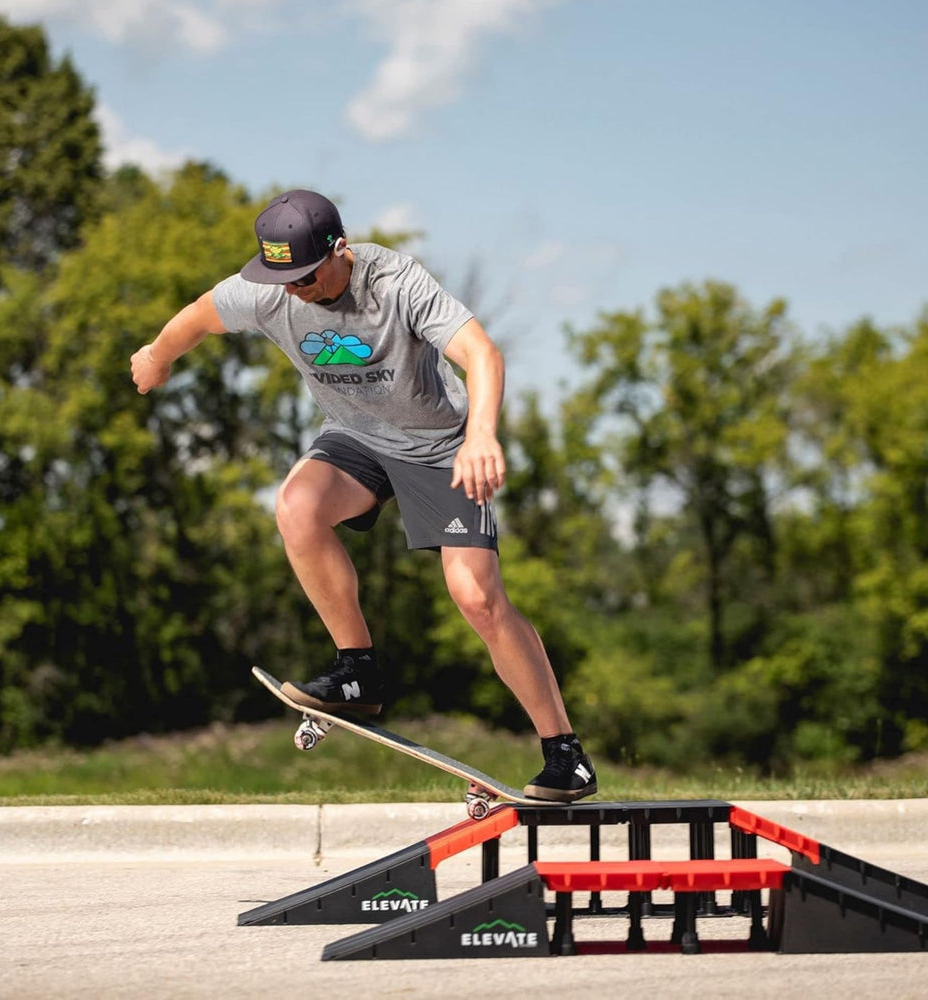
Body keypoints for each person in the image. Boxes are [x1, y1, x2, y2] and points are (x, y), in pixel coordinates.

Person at [130, 189, 596, 802]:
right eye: (282, 278)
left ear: (339, 250)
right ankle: (357, 671)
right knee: (298, 508)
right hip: (356, 437)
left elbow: (480, 351)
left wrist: (481, 434)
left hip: (439, 448)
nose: (294, 290)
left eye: (305, 276)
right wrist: (157, 355)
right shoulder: (269, 290)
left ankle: (565, 753)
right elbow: (198, 314)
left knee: (476, 598)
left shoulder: (395, 282)